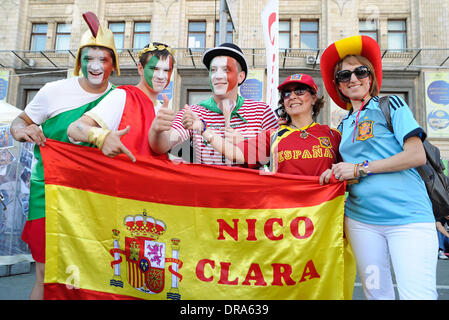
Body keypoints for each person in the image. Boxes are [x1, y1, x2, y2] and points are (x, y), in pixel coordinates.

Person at [9, 12, 120, 300]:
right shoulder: (53, 91)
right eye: (89, 58)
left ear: (113, 64)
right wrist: (23, 131)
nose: (95, 66)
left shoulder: (119, 98)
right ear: (79, 60)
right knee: (46, 277)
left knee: (89, 277)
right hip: (48, 193)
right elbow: (19, 123)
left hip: (93, 199)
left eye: (103, 59)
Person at [319, 35, 438, 300]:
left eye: (360, 71)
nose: (352, 78)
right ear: (338, 86)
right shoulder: (343, 125)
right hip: (362, 223)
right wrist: (335, 173)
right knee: (377, 295)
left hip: (409, 219)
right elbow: (347, 171)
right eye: (344, 75)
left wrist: (359, 169)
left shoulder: (391, 104)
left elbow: (416, 155)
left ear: (370, 77)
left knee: (418, 295)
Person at [184, 73, 341, 175]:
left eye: (300, 91)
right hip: (286, 216)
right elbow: (234, 153)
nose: (292, 96)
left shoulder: (333, 135)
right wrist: (204, 129)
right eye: (287, 94)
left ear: (314, 98)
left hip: (323, 218)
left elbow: (351, 170)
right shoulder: (273, 136)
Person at [148, 43, 278, 165]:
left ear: (240, 76)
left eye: (226, 69)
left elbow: (279, 157)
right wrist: (157, 130)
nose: (218, 76)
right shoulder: (193, 113)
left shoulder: (262, 112)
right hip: (208, 187)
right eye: (213, 70)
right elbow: (162, 145)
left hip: (249, 188)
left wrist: (245, 144)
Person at [67, 42, 175, 161]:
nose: (161, 76)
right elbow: (75, 128)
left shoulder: (162, 109)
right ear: (140, 68)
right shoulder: (122, 96)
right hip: (119, 177)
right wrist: (102, 137)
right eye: (154, 68)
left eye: (166, 70)